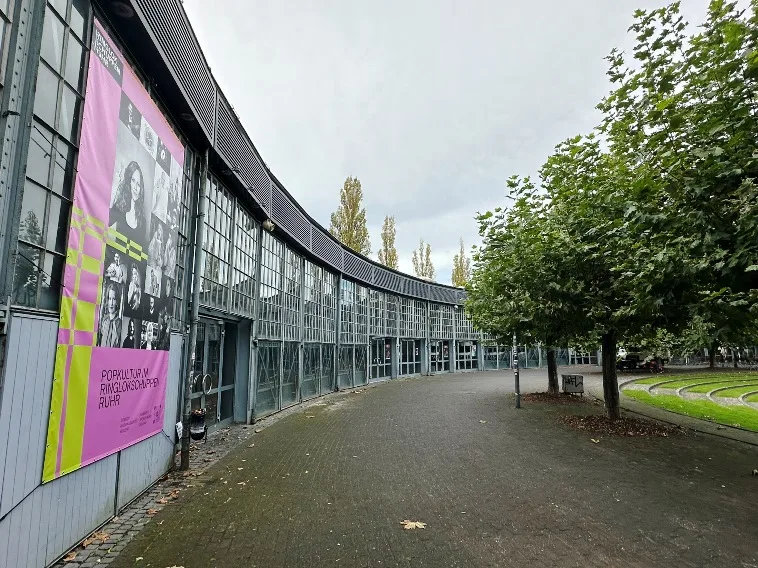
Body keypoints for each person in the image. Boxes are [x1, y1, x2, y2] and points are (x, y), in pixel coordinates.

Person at [110, 161, 146, 244]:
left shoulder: (142, 222)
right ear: (128, 182)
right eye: (133, 180)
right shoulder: (118, 208)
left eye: (138, 184)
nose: (135, 188)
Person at [98, 282, 122, 348]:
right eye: (109, 298)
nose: (111, 303)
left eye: (114, 299)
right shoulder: (104, 320)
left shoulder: (119, 322)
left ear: (117, 301)